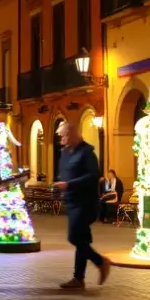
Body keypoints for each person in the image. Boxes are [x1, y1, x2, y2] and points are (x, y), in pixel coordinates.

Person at [54, 122, 112, 289]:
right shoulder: (65, 153)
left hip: (85, 203)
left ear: (72, 134)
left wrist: (69, 184)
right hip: (72, 201)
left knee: (74, 237)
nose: (61, 138)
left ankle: (101, 262)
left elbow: (94, 176)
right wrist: (60, 186)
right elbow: (64, 174)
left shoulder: (87, 153)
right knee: (82, 239)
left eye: (63, 135)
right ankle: (78, 279)